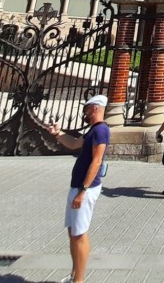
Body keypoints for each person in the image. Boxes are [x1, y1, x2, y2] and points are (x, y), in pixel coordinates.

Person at [48, 94, 110, 283]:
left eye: (86, 109)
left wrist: (83, 190)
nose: (84, 112)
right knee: (73, 232)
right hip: (78, 187)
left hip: (85, 189)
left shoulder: (101, 131)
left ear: (94, 109)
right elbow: (74, 144)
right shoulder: (94, 130)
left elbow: (97, 160)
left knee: (79, 234)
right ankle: (75, 274)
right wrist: (57, 134)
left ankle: (79, 281)